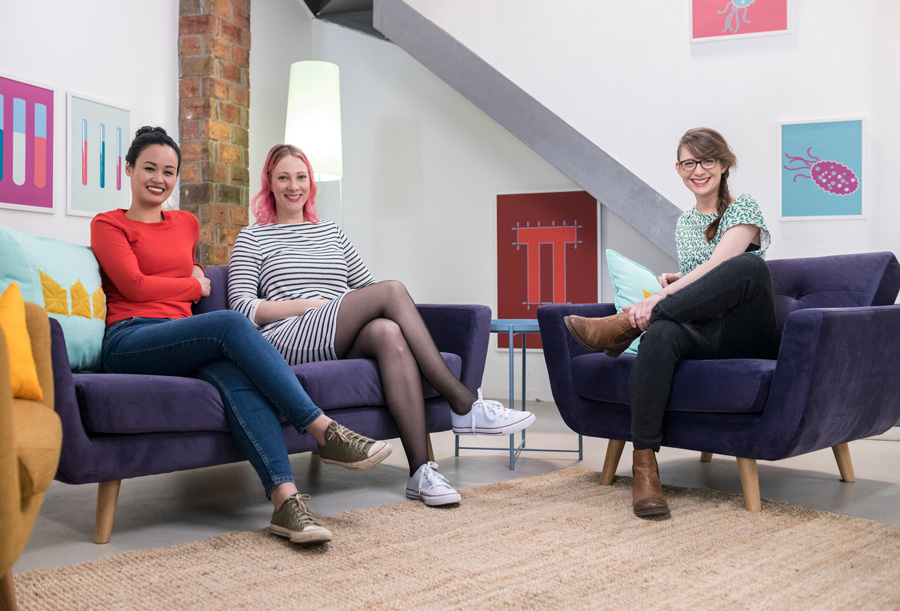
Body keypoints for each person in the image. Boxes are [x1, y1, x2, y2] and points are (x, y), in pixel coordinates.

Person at [91, 126, 393, 546]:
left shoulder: (186, 224)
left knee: (240, 381)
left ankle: (287, 505)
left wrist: (194, 276)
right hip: (131, 338)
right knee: (233, 323)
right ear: (128, 169)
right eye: (149, 168)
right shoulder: (108, 224)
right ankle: (324, 429)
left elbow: (185, 271)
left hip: (182, 337)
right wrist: (194, 287)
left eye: (169, 171)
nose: (159, 179)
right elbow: (137, 287)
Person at [228, 144, 536, 507]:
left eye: (301, 177)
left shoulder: (330, 232)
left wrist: (349, 308)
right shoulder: (253, 237)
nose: (293, 186)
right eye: (283, 177)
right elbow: (242, 308)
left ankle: (421, 473)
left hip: (333, 329)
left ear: (311, 182)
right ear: (269, 183)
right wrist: (310, 305)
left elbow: (366, 288)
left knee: (388, 332)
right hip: (287, 337)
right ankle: (465, 404)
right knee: (392, 290)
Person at [564, 127, 780, 519]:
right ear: (678, 169)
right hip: (704, 329)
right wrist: (677, 283)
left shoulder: (742, 207)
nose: (698, 170)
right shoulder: (684, 224)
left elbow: (723, 267)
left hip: (746, 333)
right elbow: (705, 280)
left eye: (707, 160)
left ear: (724, 164)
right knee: (661, 334)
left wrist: (660, 298)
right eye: (689, 163)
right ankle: (645, 467)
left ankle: (625, 325)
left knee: (748, 267)